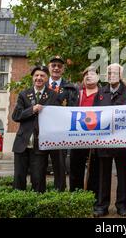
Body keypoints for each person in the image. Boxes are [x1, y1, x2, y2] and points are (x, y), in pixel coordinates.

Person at [93, 63, 126, 217]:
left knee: (123, 174)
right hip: (103, 141)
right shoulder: (100, 92)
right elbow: (94, 115)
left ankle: (122, 206)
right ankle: (102, 205)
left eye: (115, 73)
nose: (111, 75)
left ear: (121, 75)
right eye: (109, 72)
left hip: (122, 141)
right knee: (103, 174)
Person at [12, 65, 59, 193]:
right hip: (22, 144)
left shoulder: (53, 95)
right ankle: (18, 204)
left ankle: (36, 209)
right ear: (32, 78)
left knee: (38, 179)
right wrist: (32, 109)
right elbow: (16, 116)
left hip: (40, 145)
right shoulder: (24, 94)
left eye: (42, 76)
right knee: (19, 178)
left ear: (47, 78)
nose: (39, 78)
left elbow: (56, 117)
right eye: (36, 75)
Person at [47, 55, 79, 191]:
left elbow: (73, 109)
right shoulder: (39, 83)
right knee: (38, 165)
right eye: (53, 65)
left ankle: (59, 193)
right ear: (49, 67)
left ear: (63, 69)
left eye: (59, 66)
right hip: (41, 130)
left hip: (61, 133)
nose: (56, 68)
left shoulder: (70, 88)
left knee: (60, 165)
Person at [69, 66, 100, 197]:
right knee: (76, 168)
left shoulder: (103, 94)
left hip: (97, 138)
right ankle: (76, 198)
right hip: (78, 136)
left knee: (95, 170)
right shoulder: (76, 93)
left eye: (92, 74)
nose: (88, 76)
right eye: (86, 74)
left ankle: (93, 199)